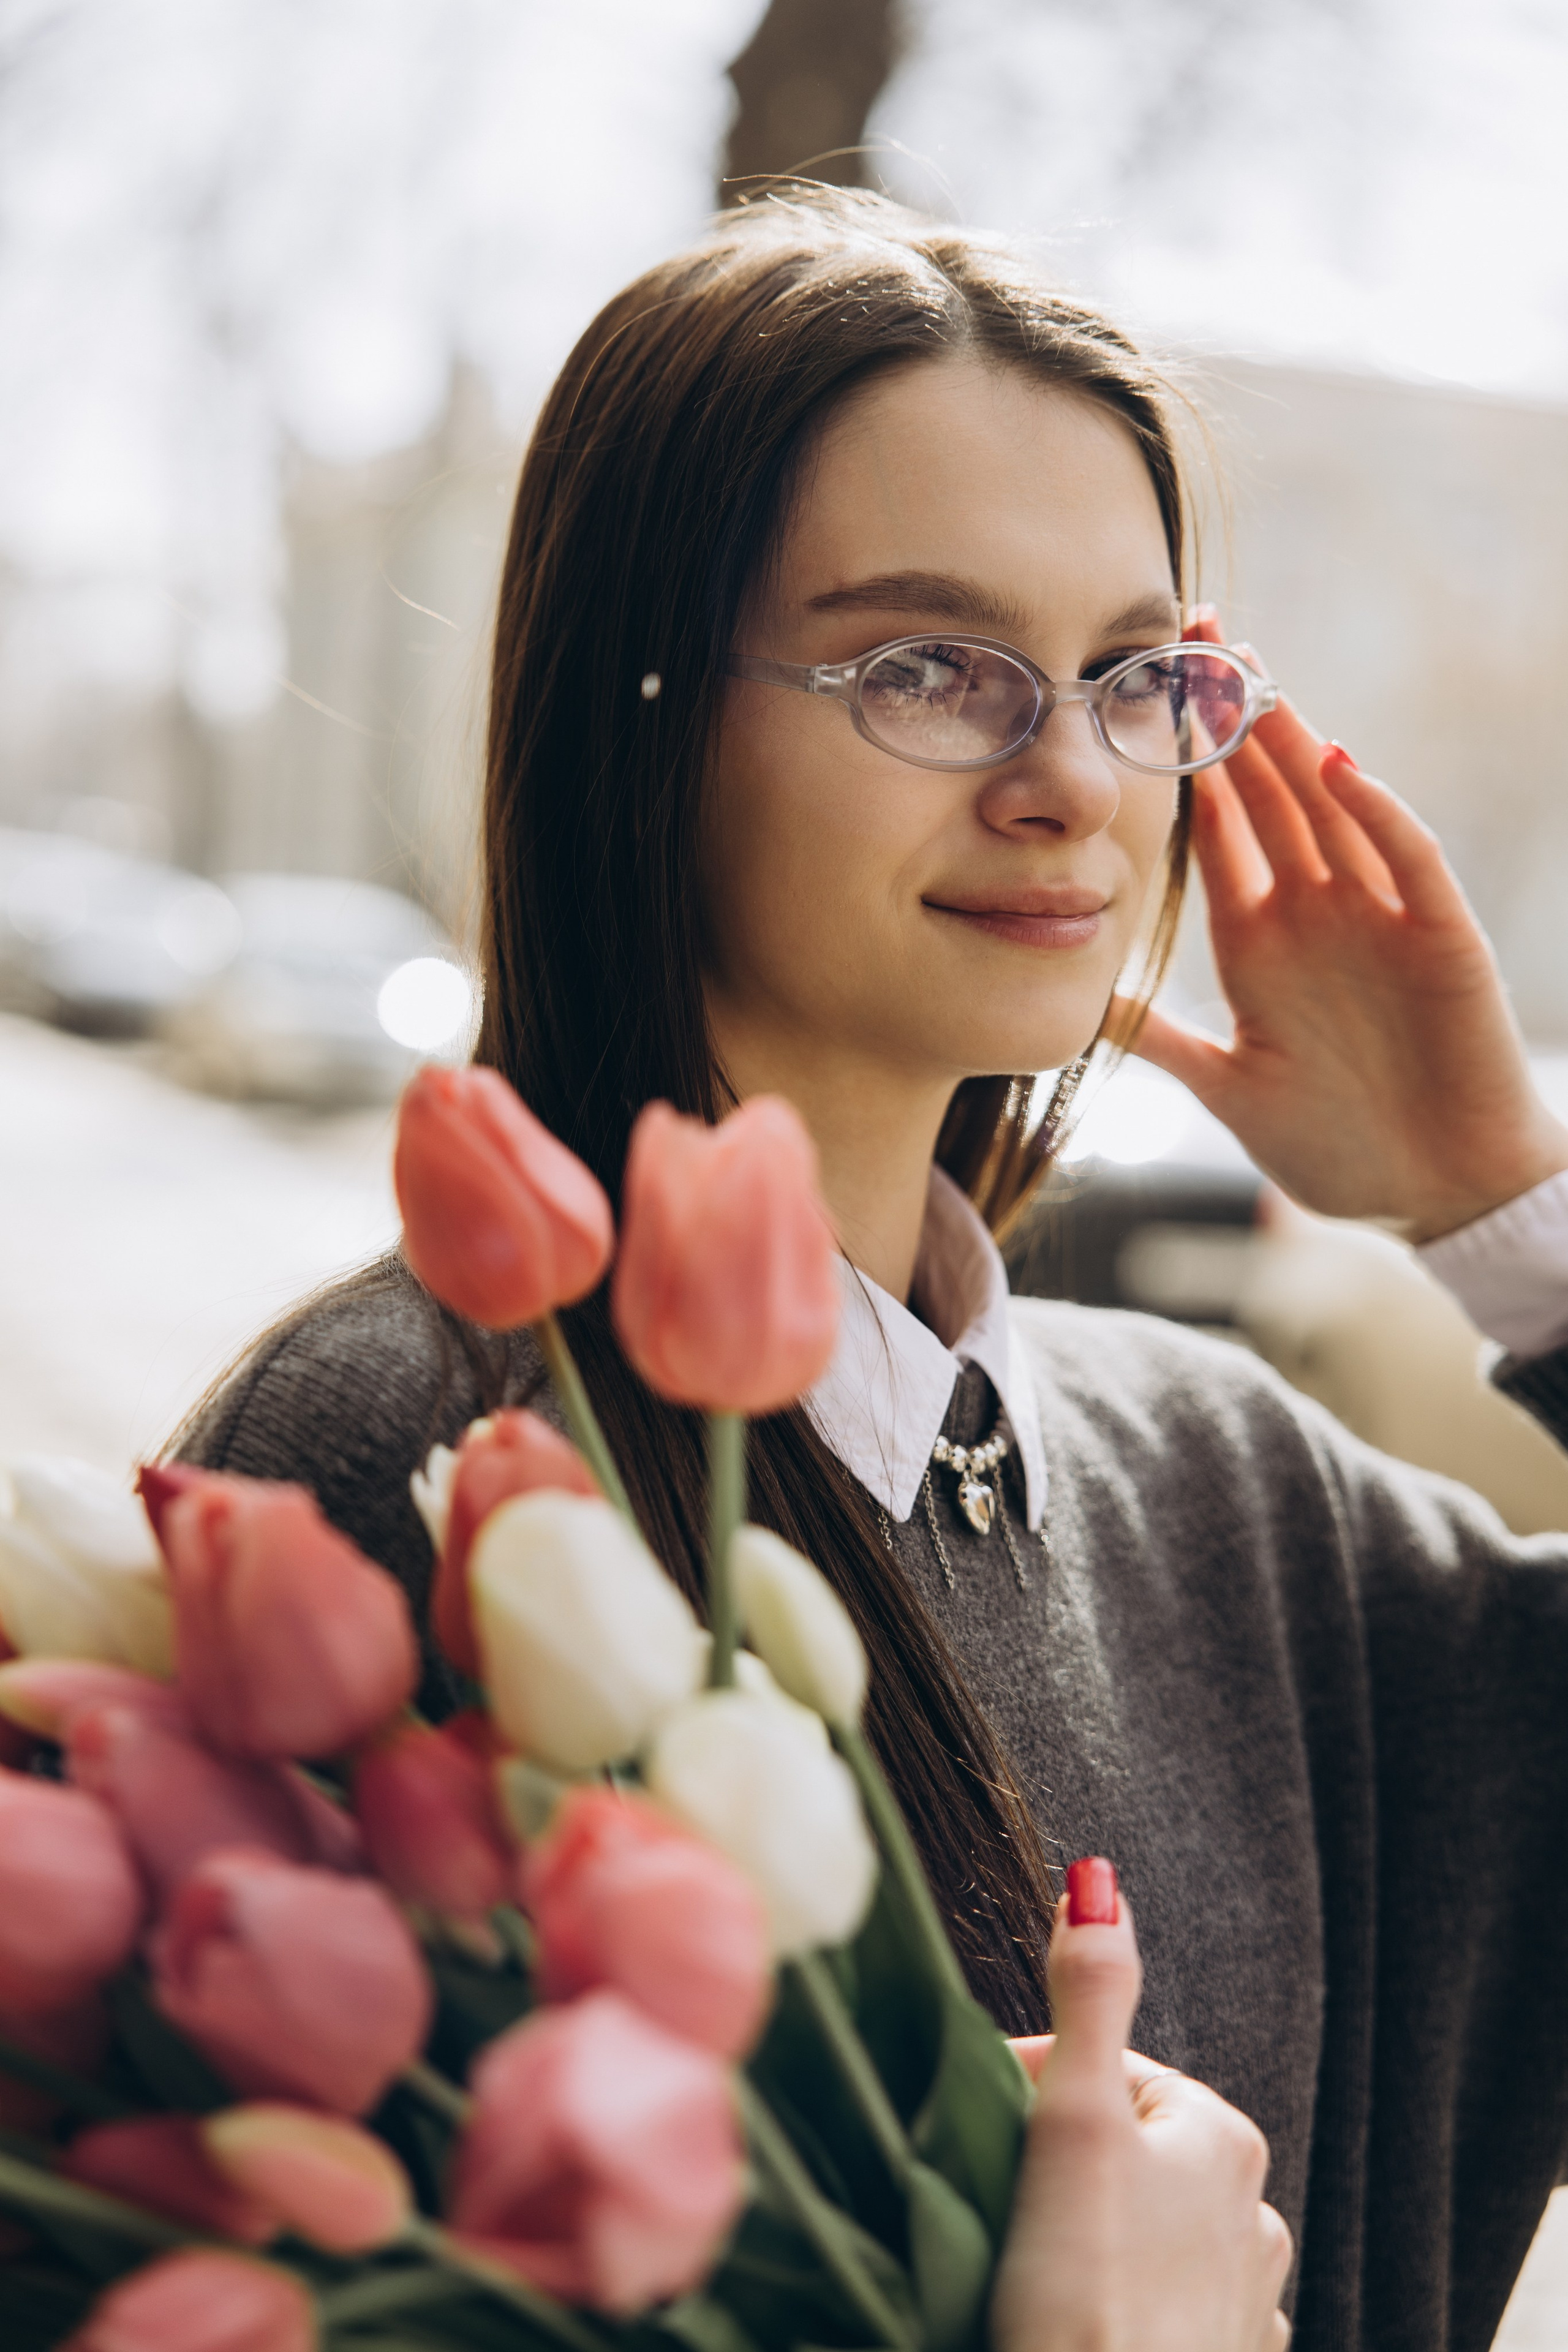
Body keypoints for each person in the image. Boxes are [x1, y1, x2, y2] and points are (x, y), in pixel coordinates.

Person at [177, 186, 1568, 2352]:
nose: (1070, 782)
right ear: (641, 714)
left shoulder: (1241, 1493)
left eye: (1135, 676)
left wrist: (1503, 1211)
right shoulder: (419, 1471)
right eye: (931, 667)